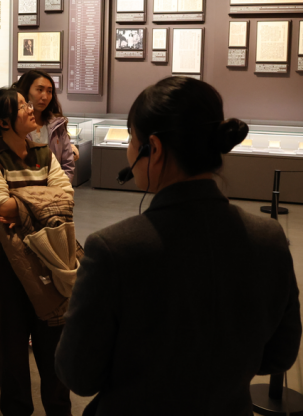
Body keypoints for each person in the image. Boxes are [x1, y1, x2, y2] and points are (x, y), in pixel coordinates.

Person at [56, 77, 302, 416]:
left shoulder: (112, 250)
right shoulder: (269, 237)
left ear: (153, 149)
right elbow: (280, 355)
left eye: (131, 138)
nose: (129, 150)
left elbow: (78, 374)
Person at [0, 87, 74, 416]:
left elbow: (66, 196)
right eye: (21, 106)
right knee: (12, 343)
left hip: (48, 251)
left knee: (53, 339)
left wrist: (20, 206)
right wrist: (41, 201)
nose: (31, 109)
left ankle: (58, 409)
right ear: (4, 122)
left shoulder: (43, 153)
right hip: (5, 257)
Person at [15, 70, 75, 182]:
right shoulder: (16, 124)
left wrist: (62, 188)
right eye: (40, 90)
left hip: (56, 187)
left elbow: (67, 163)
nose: (45, 97)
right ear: (26, 90)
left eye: (49, 91)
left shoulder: (57, 124)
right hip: (26, 188)